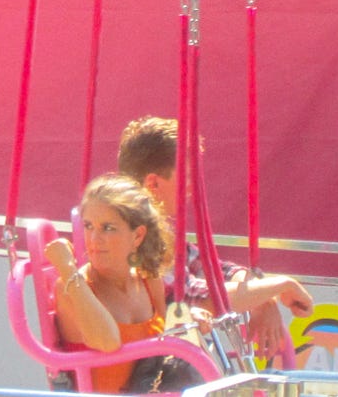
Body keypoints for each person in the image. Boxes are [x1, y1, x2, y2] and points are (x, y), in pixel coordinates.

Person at [118, 116, 314, 357]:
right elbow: (198, 297)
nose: (193, 187)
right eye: (187, 177)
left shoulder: (157, 233)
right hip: (149, 369)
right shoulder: (133, 237)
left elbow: (213, 269)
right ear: (153, 184)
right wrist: (281, 286)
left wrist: (264, 298)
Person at [45, 174, 177, 394]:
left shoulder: (149, 279)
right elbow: (108, 342)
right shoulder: (71, 286)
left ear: (138, 236)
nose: (94, 239)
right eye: (88, 226)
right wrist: (67, 270)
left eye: (108, 228)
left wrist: (192, 320)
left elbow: (170, 342)